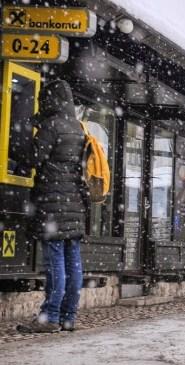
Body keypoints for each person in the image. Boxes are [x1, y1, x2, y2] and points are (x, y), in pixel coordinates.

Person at [17, 81, 88, 333]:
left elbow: (33, 158)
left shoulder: (52, 125)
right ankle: (69, 316)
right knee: (73, 261)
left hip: (53, 204)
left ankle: (51, 316)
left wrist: (23, 137)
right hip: (75, 204)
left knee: (55, 262)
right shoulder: (77, 128)